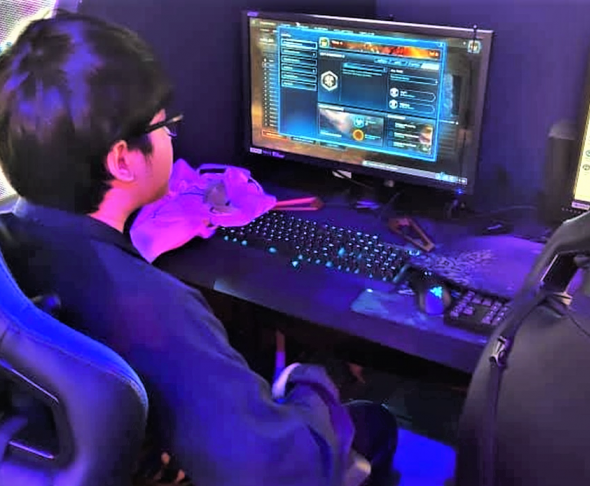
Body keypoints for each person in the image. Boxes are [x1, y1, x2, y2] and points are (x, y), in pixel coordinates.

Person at [0, 12, 394, 486]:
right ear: (123, 159)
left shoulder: (13, 239)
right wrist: (310, 378)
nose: (171, 137)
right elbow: (277, 472)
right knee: (374, 422)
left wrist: (136, 251)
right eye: (165, 126)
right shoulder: (155, 310)